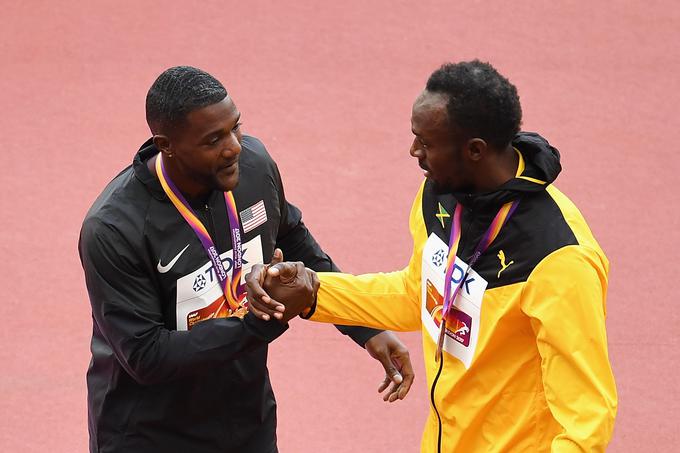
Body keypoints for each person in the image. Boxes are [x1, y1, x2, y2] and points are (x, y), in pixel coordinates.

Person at [247, 60, 618, 452]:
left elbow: (586, 419)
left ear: (474, 150)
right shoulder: (441, 195)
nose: (413, 151)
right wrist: (314, 292)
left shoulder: (559, 258)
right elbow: (417, 296)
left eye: (425, 143)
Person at [78, 66, 414, 453]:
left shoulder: (252, 167)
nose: (234, 146)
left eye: (235, 127)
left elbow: (295, 243)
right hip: (148, 434)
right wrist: (259, 323)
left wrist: (364, 326)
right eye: (213, 139)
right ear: (166, 145)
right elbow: (147, 356)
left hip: (246, 420)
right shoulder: (114, 230)